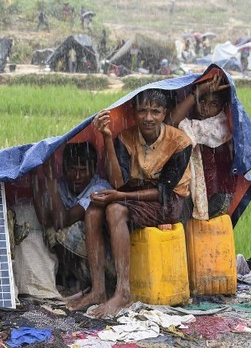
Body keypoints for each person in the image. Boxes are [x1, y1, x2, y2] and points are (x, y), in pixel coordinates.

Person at [68, 89, 192, 317]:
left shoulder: (180, 142)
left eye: (155, 111)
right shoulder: (125, 138)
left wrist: (120, 197)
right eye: (142, 111)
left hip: (168, 201)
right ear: (134, 113)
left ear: (164, 113)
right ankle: (98, 290)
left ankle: (123, 292)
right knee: (93, 210)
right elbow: (118, 182)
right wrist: (107, 137)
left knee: (115, 210)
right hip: (134, 194)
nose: (148, 117)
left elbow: (163, 192)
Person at [31, 142, 112, 290]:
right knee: (47, 231)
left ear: (93, 170)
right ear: (63, 169)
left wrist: (50, 179)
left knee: (69, 230)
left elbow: (63, 220)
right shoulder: (62, 185)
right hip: (73, 261)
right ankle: (67, 279)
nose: (77, 176)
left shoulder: (99, 188)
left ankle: (94, 285)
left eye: (83, 170)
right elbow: (44, 219)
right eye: (72, 170)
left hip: (102, 261)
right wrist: (35, 175)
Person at [167, 74, 235, 221]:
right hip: (208, 193)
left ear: (223, 106)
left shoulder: (219, 125)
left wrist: (197, 93)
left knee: (175, 214)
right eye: (202, 101)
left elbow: (171, 122)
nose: (205, 108)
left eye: (214, 104)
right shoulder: (196, 123)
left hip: (216, 197)